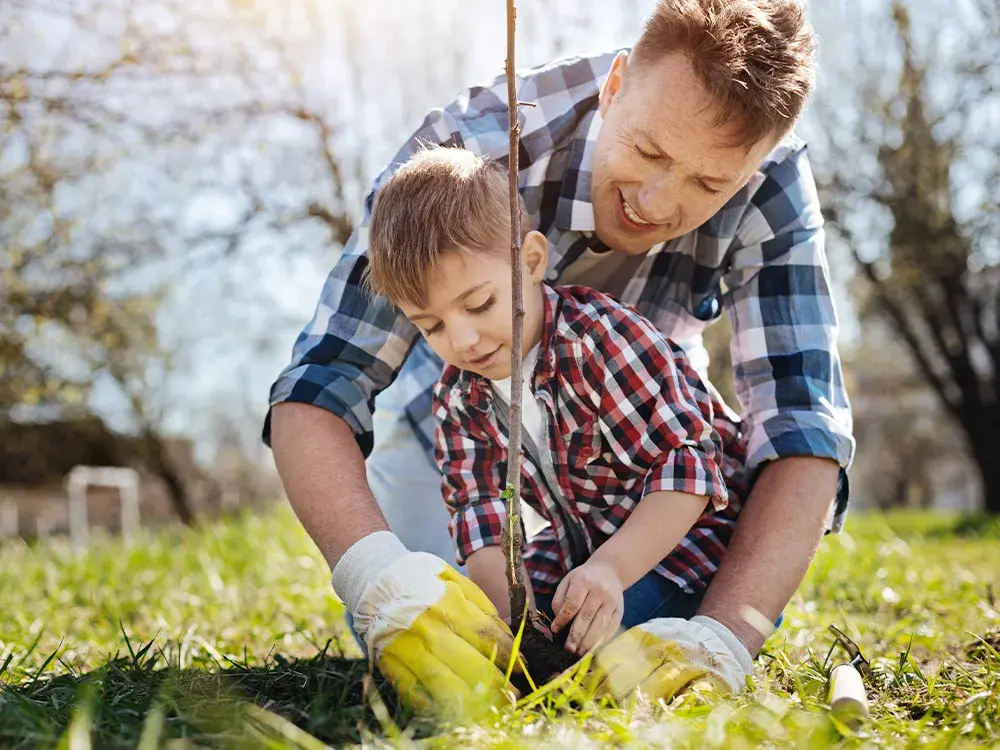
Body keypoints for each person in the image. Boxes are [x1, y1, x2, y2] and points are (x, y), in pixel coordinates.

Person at [265, 0, 854, 713]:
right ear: (614, 87)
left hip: (648, 446)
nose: (655, 201)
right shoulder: (463, 154)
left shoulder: (773, 188)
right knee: (442, 648)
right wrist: (377, 579)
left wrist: (725, 635)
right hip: (458, 431)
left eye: (707, 185)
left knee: (645, 623)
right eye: (649, 150)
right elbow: (323, 382)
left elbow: (801, 425)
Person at [364, 146, 750, 691]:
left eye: (478, 305)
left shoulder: (602, 341)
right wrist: (511, 632)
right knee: (514, 640)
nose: (464, 340)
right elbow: (480, 518)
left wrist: (613, 569)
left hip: (691, 541)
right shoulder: (458, 398)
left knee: (605, 653)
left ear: (530, 261)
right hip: (585, 545)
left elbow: (685, 469)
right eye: (432, 326)